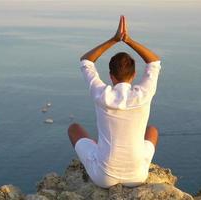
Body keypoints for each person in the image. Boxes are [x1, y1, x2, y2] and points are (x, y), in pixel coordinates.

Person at [68, 15, 161, 188]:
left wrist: (114, 39)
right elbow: (154, 62)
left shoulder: (102, 94)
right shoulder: (144, 94)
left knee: (74, 129)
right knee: (152, 131)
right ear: (133, 75)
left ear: (111, 76)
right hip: (137, 175)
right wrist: (128, 40)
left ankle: (97, 150)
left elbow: (86, 61)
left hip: (104, 177)